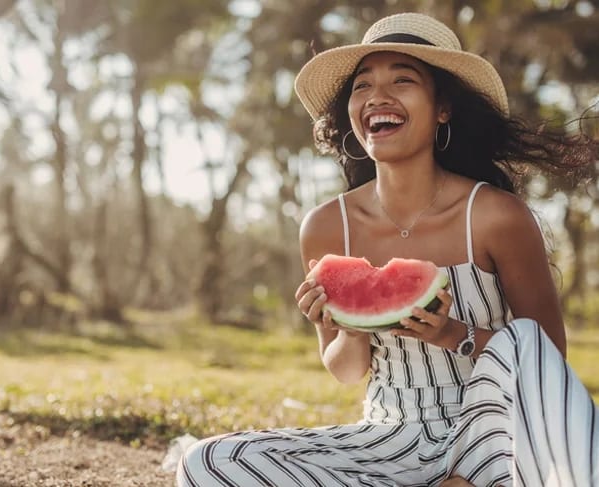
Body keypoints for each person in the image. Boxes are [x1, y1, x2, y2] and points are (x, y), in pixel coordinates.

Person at [176, 12, 598, 486]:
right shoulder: (326, 226)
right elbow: (345, 370)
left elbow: (545, 358)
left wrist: (449, 332)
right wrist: (345, 327)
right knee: (207, 463)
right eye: (362, 85)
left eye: (403, 79)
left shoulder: (496, 215)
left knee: (525, 343)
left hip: (497, 432)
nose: (378, 95)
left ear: (443, 108)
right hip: (388, 438)